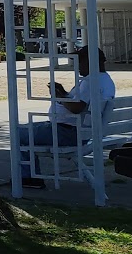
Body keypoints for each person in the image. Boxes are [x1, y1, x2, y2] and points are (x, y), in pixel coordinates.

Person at [17, 47, 114, 187]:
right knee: (27, 131)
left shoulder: (91, 82)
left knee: (18, 133)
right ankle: (30, 174)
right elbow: (80, 103)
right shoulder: (105, 80)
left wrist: (59, 97)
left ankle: (29, 177)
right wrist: (64, 94)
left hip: (68, 132)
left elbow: (76, 108)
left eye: (79, 61)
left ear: (89, 61)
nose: (77, 66)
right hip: (80, 131)